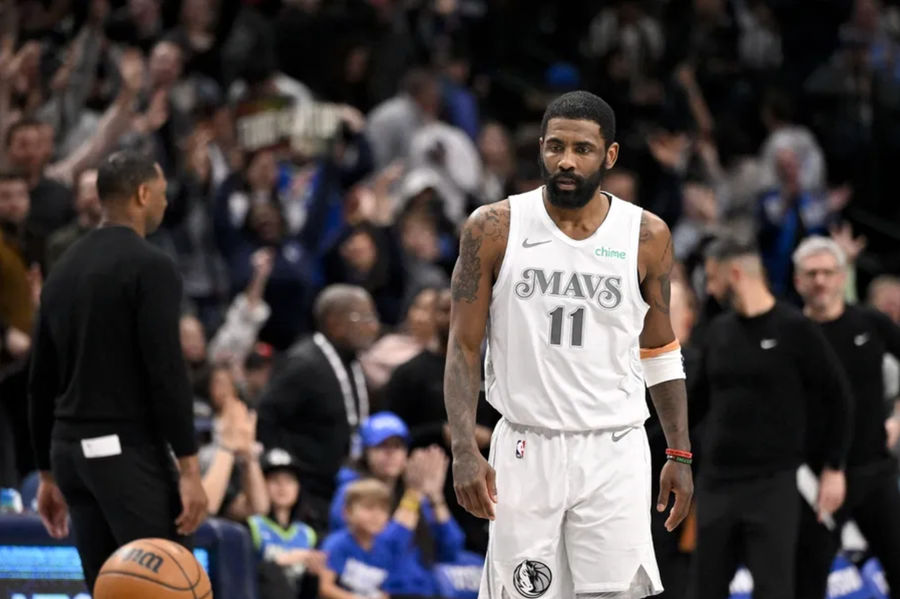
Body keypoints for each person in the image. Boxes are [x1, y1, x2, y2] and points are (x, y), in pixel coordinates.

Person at [444, 90, 693, 599]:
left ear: (610, 155)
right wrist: (464, 448)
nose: (566, 160)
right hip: (526, 443)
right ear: (540, 148)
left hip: (615, 447)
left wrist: (680, 452)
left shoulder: (646, 234)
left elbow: (661, 351)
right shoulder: (492, 227)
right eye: (555, 146)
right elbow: (463, 348)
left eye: (582, 149)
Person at [27, 150, 208, 591]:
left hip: (71, 455)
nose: (165, 204)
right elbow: (166, 371)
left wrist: (48, 473)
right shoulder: (152, 265)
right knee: (166, 583)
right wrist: (189, 467)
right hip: (124, 455)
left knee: (109, 588)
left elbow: (40, 381)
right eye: (162, 194)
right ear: (143, 194)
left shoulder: (62, 268)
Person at [688, 237, 853, 599]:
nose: (710, 289)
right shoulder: (717, 332)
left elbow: (838, 398)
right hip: (717, 483)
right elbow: (693, 407)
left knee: (774, 590)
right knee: (704, 589)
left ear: (734, 274)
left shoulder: (795, 329)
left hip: (772, 484)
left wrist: (834, 466)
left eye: (714, 278)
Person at [792, 236, 900, 599]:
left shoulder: (870, 322)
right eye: (812, 274)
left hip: (875, 470)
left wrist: (898, 418)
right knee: (809, 580)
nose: (820, 280)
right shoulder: (790, 332)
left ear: (842, 277)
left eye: (828, 272)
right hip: (817, 480)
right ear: (798, 281)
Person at [257, 284, 380, 532]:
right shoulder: (304, 363)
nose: (373, 325)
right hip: (307, 496)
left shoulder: (352, 363)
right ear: (334, 322)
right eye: (363, 317)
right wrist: (283, 476)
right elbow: (265, 418)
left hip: (341, 485)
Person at [250, 447, 326, 599]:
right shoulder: (252, 525)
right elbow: (242, 575)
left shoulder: (308, 533)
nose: (282, 487)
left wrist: (313, 575)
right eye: (274, 480)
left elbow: (308, 593)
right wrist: (280, 561)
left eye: (289, 481)